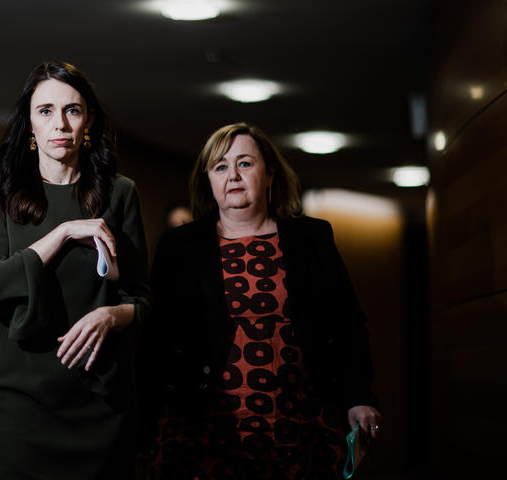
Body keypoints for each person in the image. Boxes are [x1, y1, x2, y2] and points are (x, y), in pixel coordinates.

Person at [142, 123, 381, 479]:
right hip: (206, 426)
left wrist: (359, 395)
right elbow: (156, 337)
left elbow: (348, 324)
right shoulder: (179, 246)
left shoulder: (312, 237)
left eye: (245, 164)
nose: (233, 176)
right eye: (220, 166)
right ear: (208, 179)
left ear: (269, 173)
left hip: (299, 419)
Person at [0, 61, 150, 479]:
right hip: (18, 406)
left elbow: (142, 298)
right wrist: (65, 232)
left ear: (87, 120)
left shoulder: (120, 193)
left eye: (72, 110)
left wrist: (112, 315)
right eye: (46, 110)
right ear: (29, 123)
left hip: (98, 399)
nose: (61, 124)